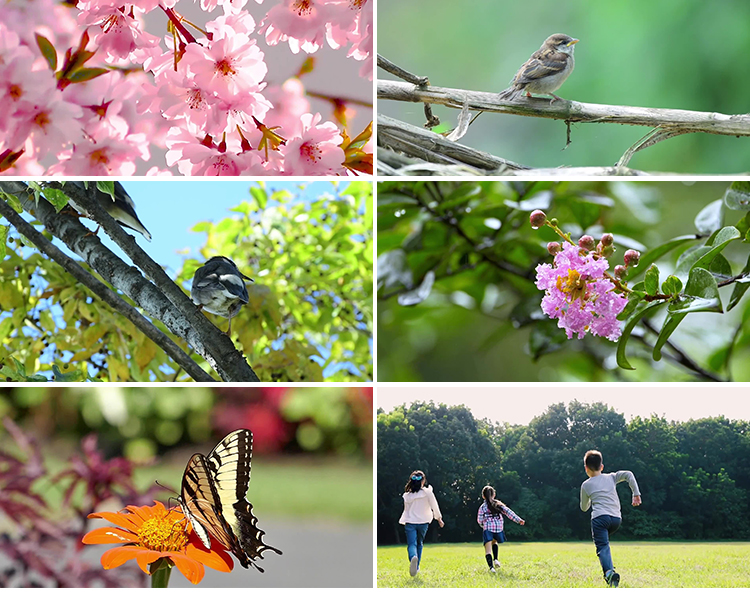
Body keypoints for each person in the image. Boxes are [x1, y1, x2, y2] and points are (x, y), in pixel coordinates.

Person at [580, 450, 641, 588]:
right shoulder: (611, 477)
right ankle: (609, 565)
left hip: (600, 519)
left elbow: (584, 507)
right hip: (616, 520)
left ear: (586, 468)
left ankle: (609, 573)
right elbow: (628, 474)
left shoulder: (586, 485)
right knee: (605, 544)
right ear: (602, 466)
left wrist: (591, 499)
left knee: (602, 546)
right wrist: (636, 494)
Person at [398, 470, 444, 577]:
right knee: (419, 543)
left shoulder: (407, 495)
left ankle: (413, 557)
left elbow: (406, 510)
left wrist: (404, 521)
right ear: (422, 481)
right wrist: (439, 518)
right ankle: (417, 567)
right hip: (423, 523)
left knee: (411, 544)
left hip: (410, 522)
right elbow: (434, 506)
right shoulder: (427, 493)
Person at [476, 485, 525, 573]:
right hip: (498, 528)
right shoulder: (498, 504)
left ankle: (491, 568)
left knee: (488, 549)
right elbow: (509, 512)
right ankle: (496, 560)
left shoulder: (482, 507)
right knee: (494, 542)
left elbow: (479, 519)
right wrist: (518, 520)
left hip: (488, 528)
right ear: (494, 495)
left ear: (483, 496)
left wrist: (482, 524)